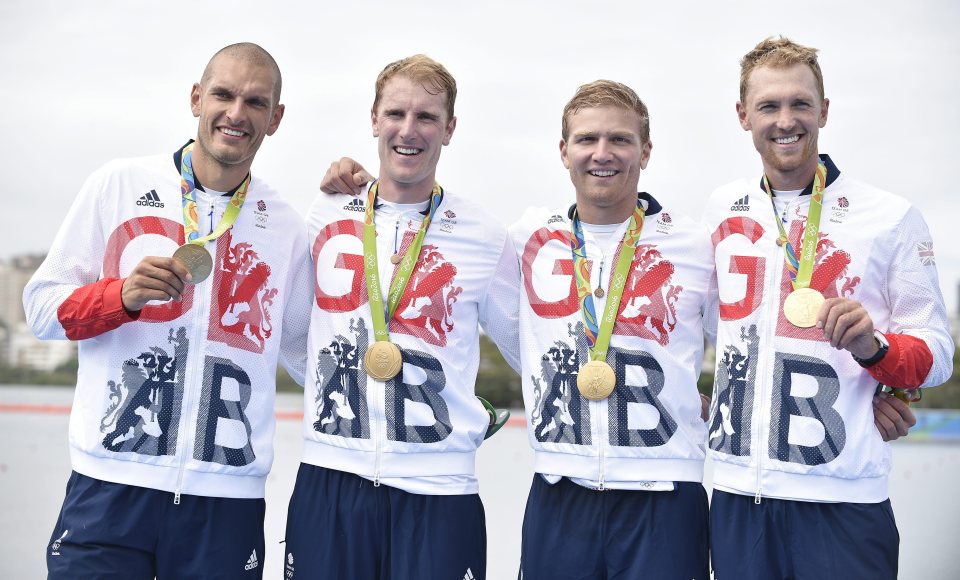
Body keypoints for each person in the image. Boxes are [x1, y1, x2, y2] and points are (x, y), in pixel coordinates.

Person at [23, 43, 312, 579]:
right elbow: (41, 309)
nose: (236, 113)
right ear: (196, 98)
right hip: (110, 486)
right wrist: (120, 297)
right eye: (223, 94)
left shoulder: (288, 226)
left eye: (255, 101)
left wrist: (363, 203)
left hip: (225, 500)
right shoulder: (118, 184)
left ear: (275, 118)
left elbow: (304, 357)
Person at [704, 36, 955, 579]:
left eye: (800, 103)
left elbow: (937, 352)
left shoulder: (891, 216)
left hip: (845, 499)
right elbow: (701, 331)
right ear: (743, 115)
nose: (786, 120)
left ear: (825, 110)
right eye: (768, 106)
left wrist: (876, 353)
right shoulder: (719, 209)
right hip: (736, 497)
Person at [282, 54, 519, 580]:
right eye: (396, 114)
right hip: (331, 476)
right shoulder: (325, 212)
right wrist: (347, 394)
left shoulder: (483, 232)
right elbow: (292, 334)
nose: (408, 130)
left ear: (449, 129)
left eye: (427, 118)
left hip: (439, 490)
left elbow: (532, 347)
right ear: (373, 119)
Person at [508, 80, 714, 578]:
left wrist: (889, 388)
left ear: (645, 150)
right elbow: (507, 332)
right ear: (564, 151)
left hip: (665, 496)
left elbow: (758, 333)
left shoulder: (697, 245)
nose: (603, 153)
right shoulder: (524, 239)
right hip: (560, 489)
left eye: (620, 139)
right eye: (587, 139)